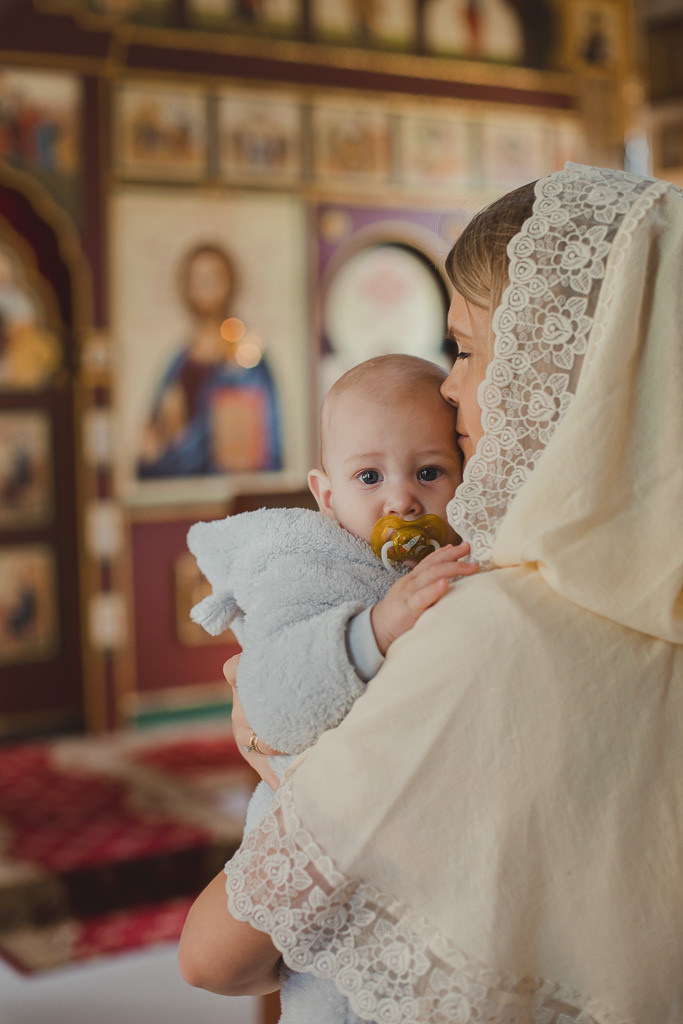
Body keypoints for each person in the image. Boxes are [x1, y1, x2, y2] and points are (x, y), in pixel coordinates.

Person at [179, 163, 683, 1024]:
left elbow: (216, 958)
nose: (448, 388)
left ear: (552, 369)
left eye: (467, 349)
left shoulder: (484, 631)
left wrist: (283, 766)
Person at [186, 354, 476, 1023]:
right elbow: (274, 704)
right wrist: (376, 628)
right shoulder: (311, 571)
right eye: (368, 476)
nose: (400, 499)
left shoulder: (462, 558)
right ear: (325, 494)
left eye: (428, 472)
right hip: (309, 857)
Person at [138, 242, 281, 478]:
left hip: (234, 485)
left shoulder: (247, 355)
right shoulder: (180, 359)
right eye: (199, 280)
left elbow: (265, 434)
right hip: (181, 485)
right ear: (187, 287)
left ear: (231, 283)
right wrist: (153, 445)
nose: (208, 288)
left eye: (216, 278)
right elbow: (157, 426)